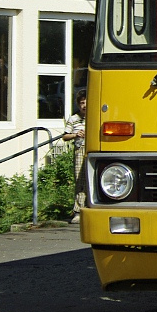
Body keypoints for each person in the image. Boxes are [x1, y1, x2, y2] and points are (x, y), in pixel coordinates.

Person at [62, 90, 87, 223]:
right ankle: (78, 210)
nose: (84, 105)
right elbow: (65, 136)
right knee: (79, 179)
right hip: (80, 149)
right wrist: (76, 135)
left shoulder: (95, 116)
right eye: (82, 103)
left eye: (86, 102)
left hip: (93, 149)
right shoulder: (74, 119)